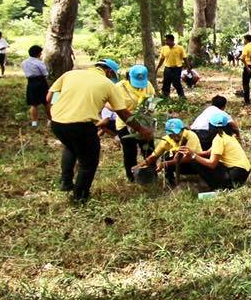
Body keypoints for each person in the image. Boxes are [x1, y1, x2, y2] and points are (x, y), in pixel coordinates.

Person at [48, 59, 149, 203]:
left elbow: (48, 97)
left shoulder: (70, 74)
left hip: (57, 122)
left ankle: (66, 181)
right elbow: (123, 114)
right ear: (108, 71)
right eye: (112, 75)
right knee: (88, 162)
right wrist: (141, 129)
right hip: (81, 125)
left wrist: (51, 116)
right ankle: (80, 196)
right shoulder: (107, 84)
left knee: (70, 147)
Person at [109, 64, 156, 182]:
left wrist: (150, 108)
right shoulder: (119, 87)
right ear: (129, 77)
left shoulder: (148, 85)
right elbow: (108, 103)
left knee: (148, 149)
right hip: (125, 124)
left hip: (144, 122)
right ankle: (132, 177)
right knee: (130, 152)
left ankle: (151, 175)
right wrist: (119, 110)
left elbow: (153, 99)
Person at [189, 111, 251, 190]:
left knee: (197, 163)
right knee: (210, 161)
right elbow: (208, 152)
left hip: (236, 174)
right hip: (244, 172)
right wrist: (192, 152)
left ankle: (217, 188)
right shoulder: (228, 136)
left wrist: (194, 156)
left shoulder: (219, 139)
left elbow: (212, 164)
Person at [134, 117, 202, 187]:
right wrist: (139, 166)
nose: (175, 137)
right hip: (179, 164)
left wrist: (166, 164)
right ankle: (170, 181)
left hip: (195, 164)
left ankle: (201, 179)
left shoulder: (190, 135)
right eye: (171, 135)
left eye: (177, 134)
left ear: (182, 130)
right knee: (167, 156)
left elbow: (190, 157)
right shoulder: (165, 140)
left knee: (173, 158)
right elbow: (153, 156)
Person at [22, 45, 50, 127]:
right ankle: (50, 120)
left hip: (31, 82)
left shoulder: (24, 62)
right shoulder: (39, 63)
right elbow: (45, 74)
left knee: (34, 104)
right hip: (41, 82)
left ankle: (34, 122)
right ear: (38, 54)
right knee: (46, 102)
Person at [156, 33, 187, 99]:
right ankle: (165, 96)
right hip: (167, 68)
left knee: (176, 82)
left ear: (172, 40)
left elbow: (185, 58)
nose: (166, 42)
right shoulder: (164, 48)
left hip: (177, 68)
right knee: (166, 82)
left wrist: (188, 67)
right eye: (166, 40)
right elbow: (162, 59)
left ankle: (182, 96)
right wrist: (157, 67)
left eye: (167, 40)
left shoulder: (180, 48)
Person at [240, 35, 251, 103]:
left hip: (248, 67)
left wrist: (247, 67)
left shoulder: (246, 47)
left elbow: (242, 58)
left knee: (245, 84)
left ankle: (247, 101)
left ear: (246, 40)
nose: (244, 41)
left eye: (244, 40)